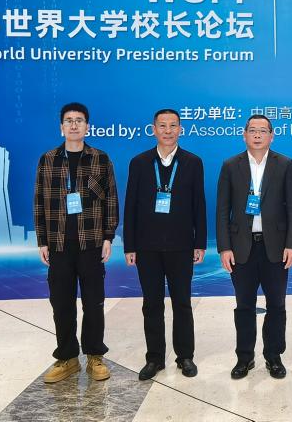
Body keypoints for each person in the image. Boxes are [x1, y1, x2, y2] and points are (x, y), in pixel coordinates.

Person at [35, 102, 118, 384]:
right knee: (62, 304)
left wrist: (108, 236)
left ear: (87, 126)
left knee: (93, 304)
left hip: (91, 244)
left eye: (79, 120)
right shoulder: (47, 160)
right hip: (58, 245)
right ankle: (67, 357)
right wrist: (42, 240)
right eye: (69, 120)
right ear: (61, 127)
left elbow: (111, 200)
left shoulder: (100, 159)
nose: (74, 125)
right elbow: (39, 202)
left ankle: (95, 356)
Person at [216, 114, 292, 380]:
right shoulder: (231, 165)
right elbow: (222, 209)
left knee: (276, 304)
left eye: (263, 131)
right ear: (244, 135)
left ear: (271, 136)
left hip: (275, 247)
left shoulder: (285, 164)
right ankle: (244, 358)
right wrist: (224, 248)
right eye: (252, 130)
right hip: (241, 248)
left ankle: (274, 357)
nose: (257, 135)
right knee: (244, 305)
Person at [123, 109, 207, 380]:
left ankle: (185, 356)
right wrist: (129, 245)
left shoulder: (192, 162)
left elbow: (199, 205)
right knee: (152, 304)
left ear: (180, 129)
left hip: (182, 246)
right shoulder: (139, 162)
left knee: (182, 303)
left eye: (173, 126)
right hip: (147, 247)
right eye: (162, 126)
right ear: (154, 129)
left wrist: (200, 242)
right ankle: (155, 358)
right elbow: (130, 206)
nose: (168, 131)